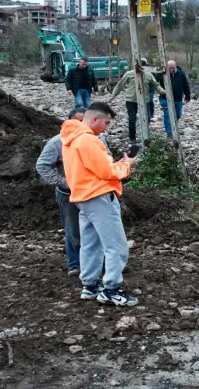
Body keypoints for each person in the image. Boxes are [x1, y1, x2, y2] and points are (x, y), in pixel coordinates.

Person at [61, 102, 139, 306]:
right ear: (95, 119)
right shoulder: (88, 140)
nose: (106, 127)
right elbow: (107, 172)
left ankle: (90, 285)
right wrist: (126, 165)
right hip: (99, 196)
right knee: (116, 245)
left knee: (91, 243)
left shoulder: (70, 139)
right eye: (106, 123)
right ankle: (112, 289)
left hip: (83, 197)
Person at [36, 107, 110, 276]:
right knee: (73, 229)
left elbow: (107, 159)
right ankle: (75, 264)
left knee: (100, 228)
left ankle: (104, 263)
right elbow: (42, 166)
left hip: (95, 193)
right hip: (68, 194)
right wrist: (64, 182)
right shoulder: (57, 142)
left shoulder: (98, 138)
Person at [111, 62, 166, 143]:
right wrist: (114, 95)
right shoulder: (129, 74)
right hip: (131, 100)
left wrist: (162, 91)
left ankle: (145, 137)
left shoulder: (148, 75)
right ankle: (132, 138)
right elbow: (120, 85)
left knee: (147, 118)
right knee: (132, 119)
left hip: (144, 101)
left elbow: (156, 85)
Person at [157, 60, 192, 137]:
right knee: (168, 114)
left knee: (178, 114)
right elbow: (154, 80)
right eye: (170, 68)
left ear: (176, 67)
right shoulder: (162, 73)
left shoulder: (181, 73)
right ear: (167, 68)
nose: (172, 70)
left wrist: (187, 96)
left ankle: (173, 125)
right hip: (165, 98)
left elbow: (185, 85)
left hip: (178, 98)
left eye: (173, 68)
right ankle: (169, 132)